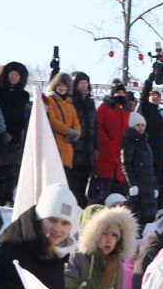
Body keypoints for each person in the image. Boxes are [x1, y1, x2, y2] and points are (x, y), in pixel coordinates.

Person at [0, 61, 32, 203]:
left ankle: (8, 200)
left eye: (17, 74)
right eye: (11, 73)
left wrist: (12, 133)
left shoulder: (23, 95)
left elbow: (21, 119)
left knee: (10, 173)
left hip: (14, 139)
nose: (14, 77)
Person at [43, 72, 85, 197]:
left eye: (65, 86)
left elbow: (76, 122)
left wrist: (76, 133)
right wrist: (69, 132)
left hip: (67, 149)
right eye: (60, 85)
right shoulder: (50, 100)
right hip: (55, 145)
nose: (62, 88)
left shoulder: (70, 104)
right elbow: (52, 120)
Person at [92, 86, 130, 203]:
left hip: (120, 160)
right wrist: (108, 142)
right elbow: (97, 126)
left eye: (122, 93)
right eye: (118, 92)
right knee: (104, 194)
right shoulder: (104, 108)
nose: (120, 95)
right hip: (106, 156)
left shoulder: (127, 111)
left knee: (119, 198)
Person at [121, 112, 159, 223]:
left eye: (142, 125)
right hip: (137, 185)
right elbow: (126, 164)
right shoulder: (129, 142)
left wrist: (155, 186)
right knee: (137, 215)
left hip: (148, 186)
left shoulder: (146, 143)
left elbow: (150, 167)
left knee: (149, 217)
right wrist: (132, 184)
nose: (141, 127)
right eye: (138, 125)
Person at [68, 72, 100, 203]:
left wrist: (97, 146)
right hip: (75, 149)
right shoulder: (71, 101)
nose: (83, 86)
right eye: (81, 83)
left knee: (83, 185)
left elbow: (95, 126)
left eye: (86, 83)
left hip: (88, 150)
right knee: (73, 185)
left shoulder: (90, 102)